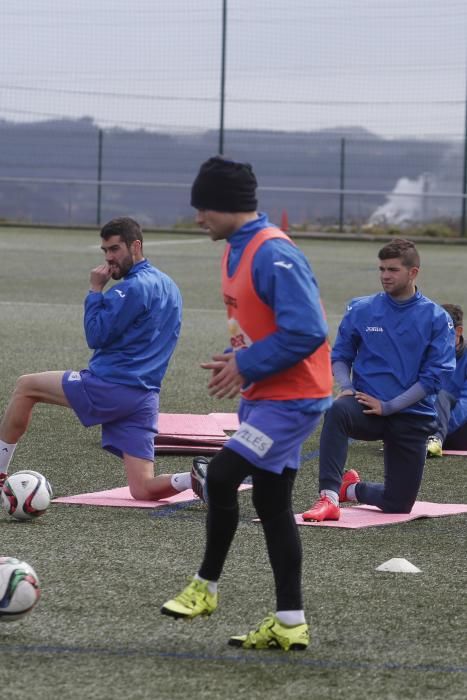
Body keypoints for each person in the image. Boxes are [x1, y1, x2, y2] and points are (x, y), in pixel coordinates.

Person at [160, 156, 333, 651]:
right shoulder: (235, 248)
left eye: (204, 208)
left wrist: (249, 363)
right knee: (272, 504)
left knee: (219, 475)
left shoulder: (273, 253)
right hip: (265, 399)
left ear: (228, 205)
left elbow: (309, 331)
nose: (198, 219)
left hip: (294, 401)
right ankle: (289, 620)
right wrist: (237, 359)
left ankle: (205, 588)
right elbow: (264, 326)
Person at [0, 216, 200, 501]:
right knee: (142, 488)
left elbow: (95, 335)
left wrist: (95, 290)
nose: (109, 258)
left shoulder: (130, 287)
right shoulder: (169, 286)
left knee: (25, 386)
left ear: (136, 246)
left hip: (111, 386)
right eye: (105, 251)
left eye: (115, 249)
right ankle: (193, 478)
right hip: (144, 396)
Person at [302, 238, 455, 522]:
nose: (385, 275)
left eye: (393, 269)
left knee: (398, 504)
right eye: (382, 269)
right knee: (337, 411)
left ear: (413, 273)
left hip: (411, 415)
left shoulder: (436, 318)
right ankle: (329, 497)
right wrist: (346, 387)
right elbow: (340, 355)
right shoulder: (362, 308)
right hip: (367, 409)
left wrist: (390, 406)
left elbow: (434, 378)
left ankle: (352, 489)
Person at [426, 303, 467, 456]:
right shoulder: (428, 355)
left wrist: (440, 427)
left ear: (458, 331)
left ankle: (434, 440)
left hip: (457, 427)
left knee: (443, 395)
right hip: (431, 424)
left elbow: (465, 403)